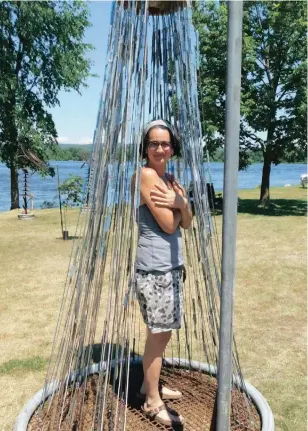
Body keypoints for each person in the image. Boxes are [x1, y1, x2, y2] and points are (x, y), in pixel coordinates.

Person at [132, 119, 192, 426]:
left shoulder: (169, 178)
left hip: (170, 267)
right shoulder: (145, 176)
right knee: (158, 336)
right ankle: (152, 402)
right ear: (145, 148)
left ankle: (148, 385)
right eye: (153, 143)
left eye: (164, 143)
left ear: (172, 147)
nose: (159, 148)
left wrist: (181, 202)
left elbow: (187, 220)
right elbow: (170, 224)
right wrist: (179, 206)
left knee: (161, 335)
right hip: (155, 269)